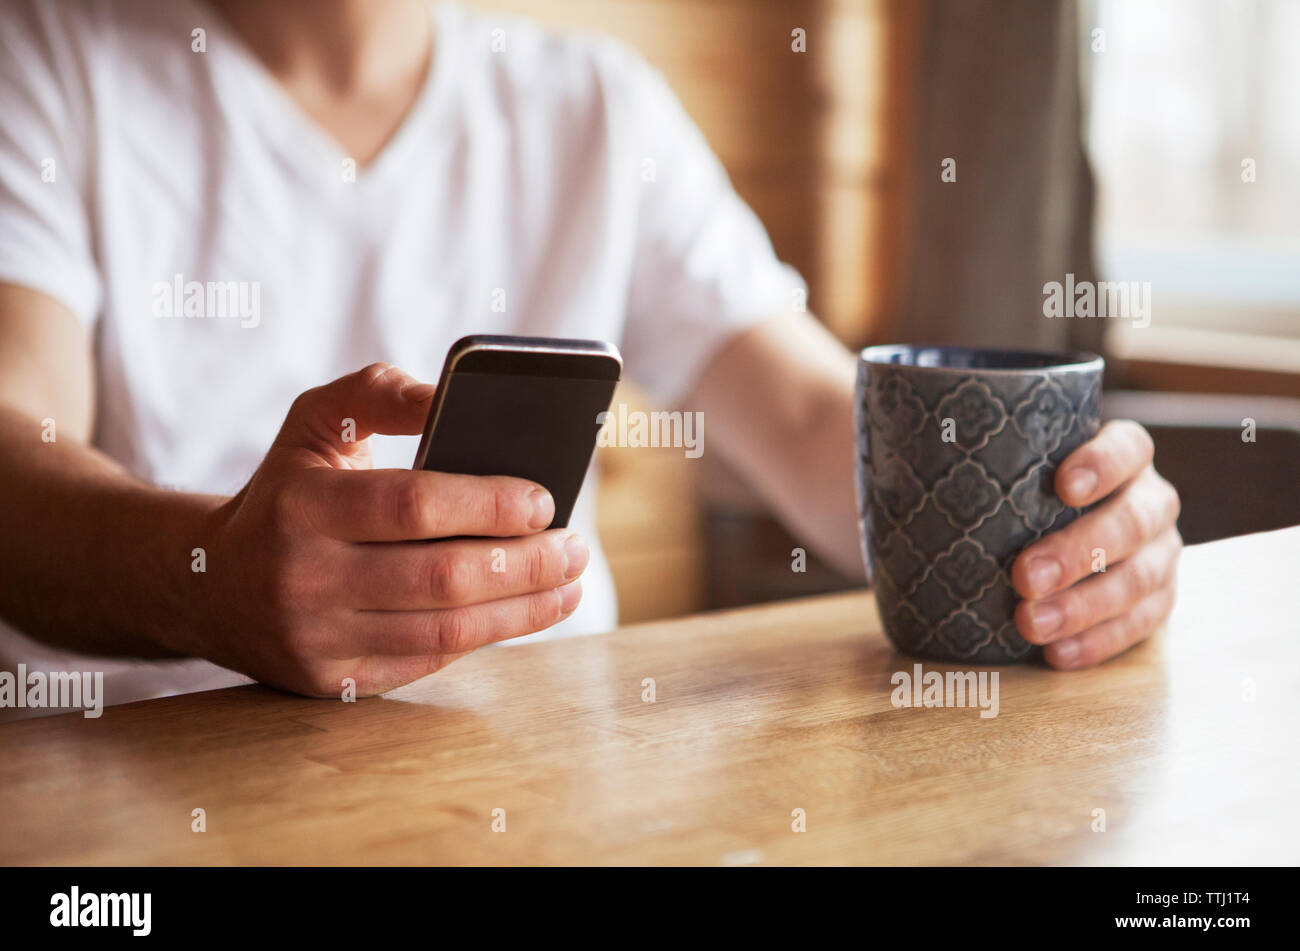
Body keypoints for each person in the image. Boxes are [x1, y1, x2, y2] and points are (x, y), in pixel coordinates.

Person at [0, 0, 1182, 708]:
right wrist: (210, 572)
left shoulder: (594, 108)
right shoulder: (46, 59)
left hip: (555, 791)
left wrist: (1065, 529)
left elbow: (827, 428)